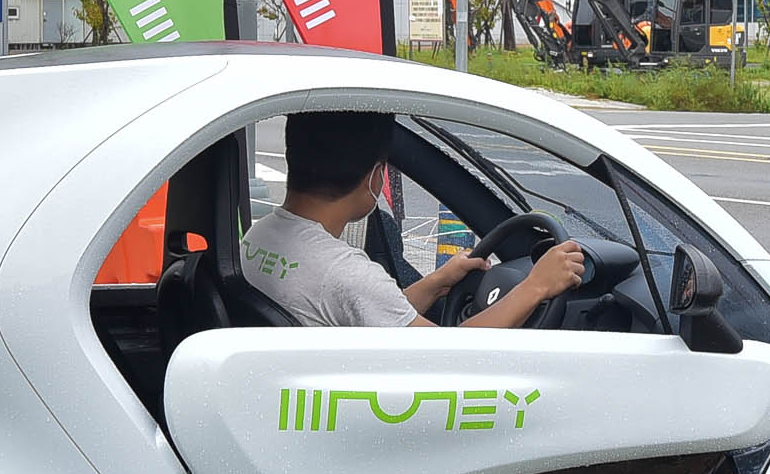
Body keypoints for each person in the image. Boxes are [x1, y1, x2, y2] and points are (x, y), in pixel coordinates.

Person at [245, 111, 585, 329]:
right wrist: (535, 287)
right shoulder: (346, 273)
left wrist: (438, 282)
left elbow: (373, 314)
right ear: (375, 177)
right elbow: (446, 356)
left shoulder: (259, 237)